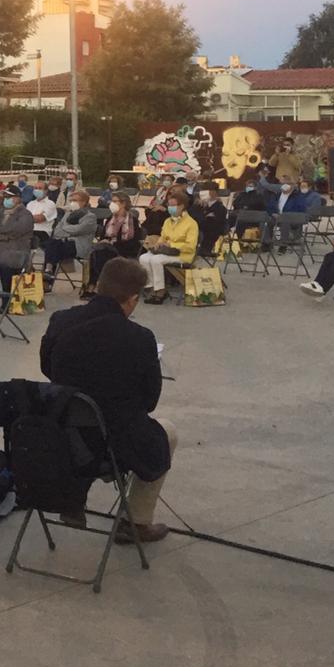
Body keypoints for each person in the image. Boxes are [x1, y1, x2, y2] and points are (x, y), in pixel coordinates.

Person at [39, 258, 174, 545]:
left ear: (98, 286)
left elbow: (47, 369)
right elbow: (149, 402)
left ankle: (74, 497)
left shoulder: (60, 320)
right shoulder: (140, 338)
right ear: (133, 299)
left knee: (84, 417)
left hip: (58, 432)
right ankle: (135, 522)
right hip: (109, 443)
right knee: (167, 431)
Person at [139, 188, 200, 304]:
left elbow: (191, 246)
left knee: (156, 260)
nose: (170, 207)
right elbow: (163, 236)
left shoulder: (191, 224)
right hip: (167, 251)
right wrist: (158, 243)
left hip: (183, 254)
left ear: (182, 206)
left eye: (173, 205)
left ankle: (160, 291)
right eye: (169, 205)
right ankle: (151, 287)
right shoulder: (168, 221)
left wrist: (172, 244)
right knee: (144, 258)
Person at [0, 187, 35, 294]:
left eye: (9, 197)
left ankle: (6, 298)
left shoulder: (25, 214)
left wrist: (0, 230)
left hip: (17, 252)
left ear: (18, 198)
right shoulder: (1, 212)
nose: (6, 199)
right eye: (5, 197)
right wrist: (4, 237)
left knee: (6, 265)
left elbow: (17, 230)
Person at [88, 192, 142, 284]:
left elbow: (132, 240)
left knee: (101, 255)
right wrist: (105, 241)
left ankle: (98, 285)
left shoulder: (132, 220)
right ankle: (95, 285)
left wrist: (111, 243)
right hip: (108, 247)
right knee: (97, 253)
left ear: (123, 203)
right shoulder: (110, 218)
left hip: (125, 248)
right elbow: (103, 236)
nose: (111, 204)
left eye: (115, 201)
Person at [41, 189, 98, 276]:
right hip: (63, 243)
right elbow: (57, 232)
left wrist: (64, 227)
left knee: (53, 246)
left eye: (75, 200)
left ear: (84, 202)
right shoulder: (68, 214)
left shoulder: (90, 217)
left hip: (78, 246)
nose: (72, 203)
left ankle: (48, 271)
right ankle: (48, 272)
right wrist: (70, 230)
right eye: (71, 201)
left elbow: (78, 230)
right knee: (53, 244)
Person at [190, 184, 228, 261]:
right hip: (200, 225)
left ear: (215, 192)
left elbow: (219, 218)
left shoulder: (219, 205)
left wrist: (206, 215)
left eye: (210, 191)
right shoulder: (200, 204)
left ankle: (205, 249)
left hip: (213, 228)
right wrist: (197, 205)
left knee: (210, 224)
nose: (208, 193)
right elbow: (192, 214)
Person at [25, 181, 58, 246]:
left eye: (40, 188)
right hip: (30, 231)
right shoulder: (30, 204)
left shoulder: (50, 204)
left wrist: (28, 217)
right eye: (35, 188)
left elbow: (40, 219)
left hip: (42, 232)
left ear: (46, 191)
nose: (37, 190)